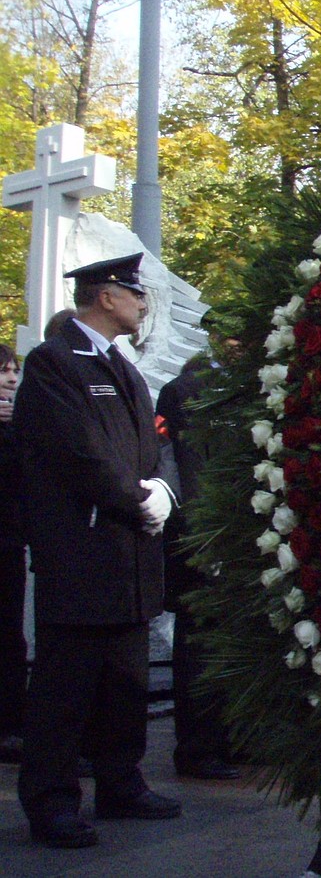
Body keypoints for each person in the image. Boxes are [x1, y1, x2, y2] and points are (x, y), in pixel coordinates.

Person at [15, 252, 182, 849]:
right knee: (65, 689)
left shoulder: (125, 369)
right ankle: (53, 800)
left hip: (130, 553)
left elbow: (152, 441)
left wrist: (162, 487)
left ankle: (121, 781)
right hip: (83, 550)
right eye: (134, 293)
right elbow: (76, 451)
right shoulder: (55, 362)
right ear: (105, 296)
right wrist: (133, 497)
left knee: (124, 682)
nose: (142, 304)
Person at [155, 356, 241, 781]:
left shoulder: (241, 390)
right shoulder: (186, 391)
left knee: (228, 642)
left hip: (232, 536)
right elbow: (188, 469)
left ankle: (231, 740)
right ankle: (200, 746)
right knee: (200, 643)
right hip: (205, 539)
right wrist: (207, 535)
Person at [0, 345, 25, 764]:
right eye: (3, 371)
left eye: (14, 371)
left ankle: (9, 726)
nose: (11, 379)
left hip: (8, 543)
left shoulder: (15, 424)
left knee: (8, 636)